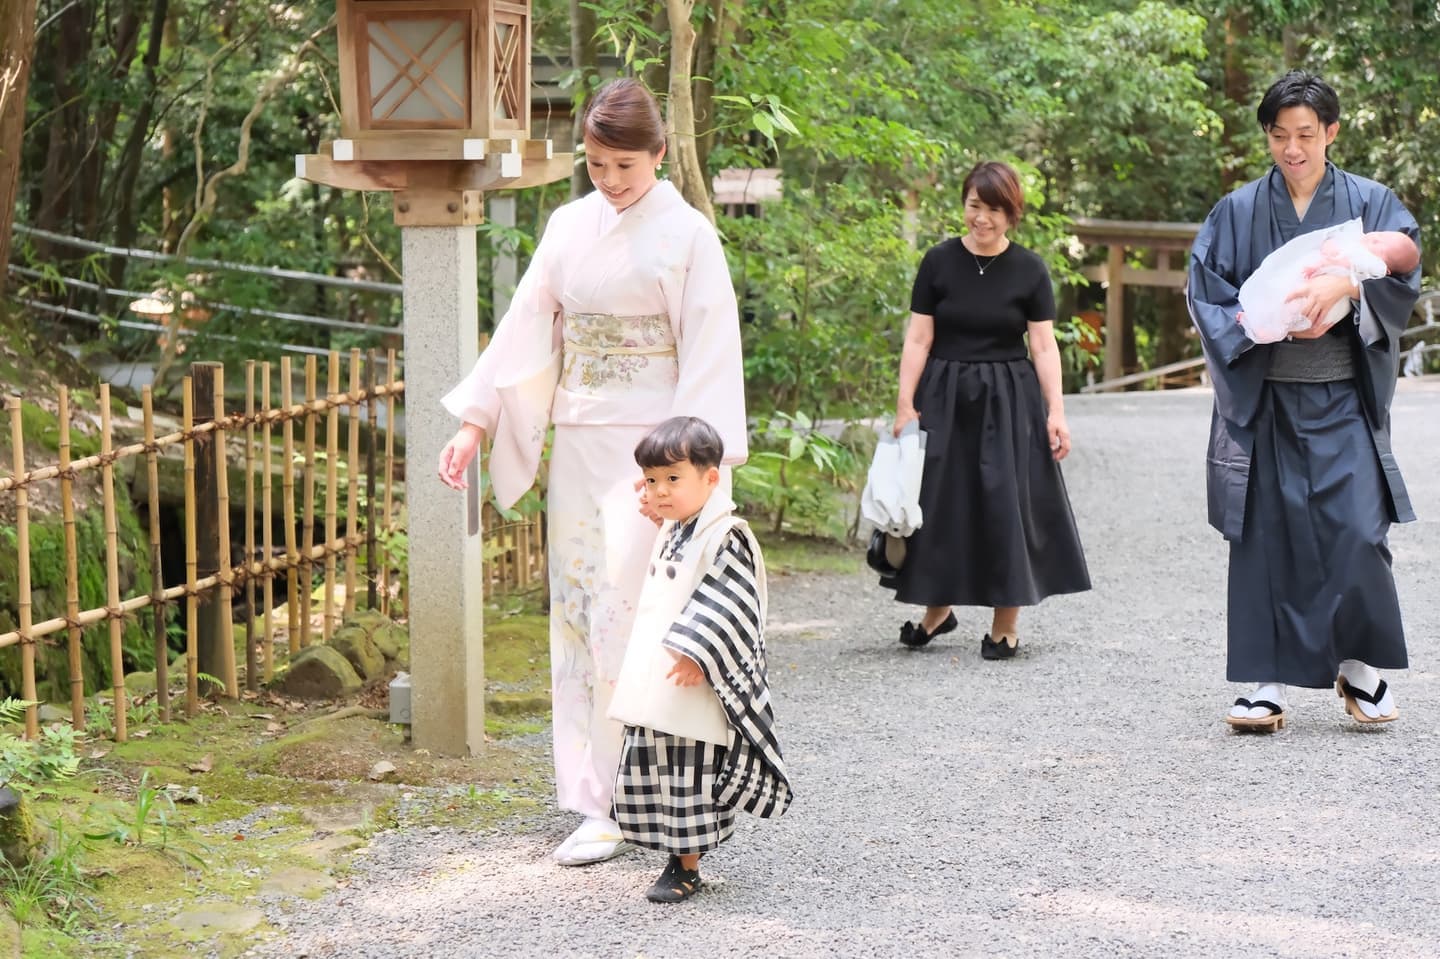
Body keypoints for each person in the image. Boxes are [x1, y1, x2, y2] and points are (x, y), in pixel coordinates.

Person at [436, 79, 748, 863]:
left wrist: (687, 472)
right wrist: (477, 421)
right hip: (579, 443)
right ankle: (594, 798)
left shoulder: (690, 236)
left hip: (658, 453)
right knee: (580, 613)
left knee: (651, 612)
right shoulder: (569, 225)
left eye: (623, 167)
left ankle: (670, 793)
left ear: (659, 156)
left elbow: (710, 354)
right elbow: (524, 329)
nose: (608, 181)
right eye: (597, 164)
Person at [1187, 70, 1422, 733]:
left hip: (1343, 395)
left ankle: (1359, 664)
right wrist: (1261, 322)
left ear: (1332, 133)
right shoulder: (1235, 211)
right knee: (1264, 534)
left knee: (1356, 529)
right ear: (1267, 135)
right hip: (1266, 397)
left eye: (1307, 135)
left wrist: (1348, 286)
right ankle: (1264, 682)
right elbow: (1205, 292)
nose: (1293, 149)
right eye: (1280, 135)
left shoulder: (1369, 202)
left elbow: (1405, 264)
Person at [888, 160, 1090, 658]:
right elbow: (918, 337)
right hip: (944, 391)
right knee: (938, 500)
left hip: (1008, 396)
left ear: (1011, 213)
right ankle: (938, 611)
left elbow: (1043, 347)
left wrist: (1056, 411)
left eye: (994, 209)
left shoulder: (1029, 269)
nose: (982, 218)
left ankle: (1005, 624)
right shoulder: (938, 262)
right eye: (975, 206)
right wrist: (904, 401)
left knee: (1005, 501)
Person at [607, 416, 791, 903]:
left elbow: (730, 600)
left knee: (688, 769)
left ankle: (684, 865)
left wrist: (698, 653)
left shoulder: (727, 534)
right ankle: (670, 850)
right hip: (662, 677)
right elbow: (660, 508)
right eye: (652, 480)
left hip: (693, 678)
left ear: (711, 478)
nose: (660, 491)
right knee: (655, 760)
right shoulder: (681, 524)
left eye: (673, 478)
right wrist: (657, 501)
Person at [1237, 220, 1420, 343]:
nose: (1375, 237)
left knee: (1295, 306)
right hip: (1262, 372)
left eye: (1381, 243)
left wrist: (1346, 286)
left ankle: (1273, 330)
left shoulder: (1377, 200)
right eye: (1379, 234)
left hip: (1342, 379)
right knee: (1281, 294)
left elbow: (1399, 292)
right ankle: (1258, 320)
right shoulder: (1239, 204)